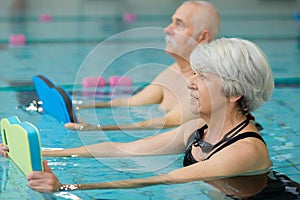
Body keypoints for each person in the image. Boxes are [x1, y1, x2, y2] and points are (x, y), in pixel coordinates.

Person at [3, 38, 299, 198]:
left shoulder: (245, 151)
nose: (190, 83)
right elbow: (123, 150)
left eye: (203, 77)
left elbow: (163, 179)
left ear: (234, 93)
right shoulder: (200, 129)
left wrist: (67, 188)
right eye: (193, 73)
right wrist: (39, 152)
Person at [64, 1, 221, 131]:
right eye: (172, 22)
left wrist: (95, 128)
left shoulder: (204, 85)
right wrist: (79, 106)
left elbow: (165, 123)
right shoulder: (174, 71)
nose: (168, 29)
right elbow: (132, 102)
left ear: (203, 37)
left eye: (179, 24)